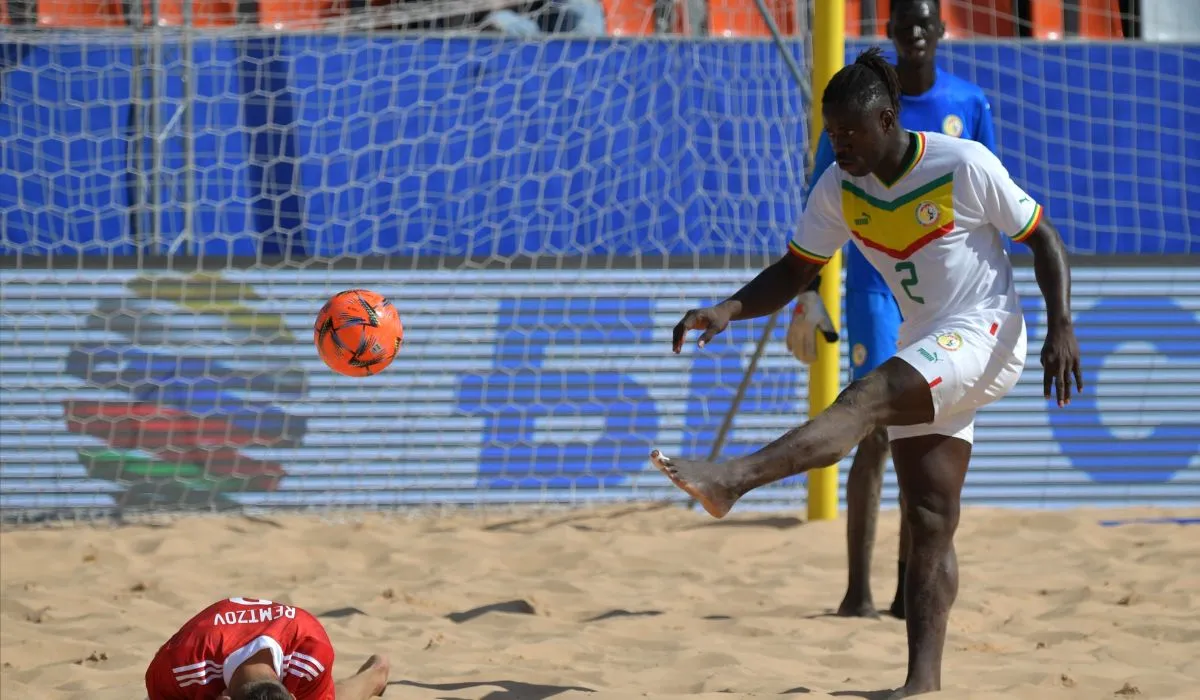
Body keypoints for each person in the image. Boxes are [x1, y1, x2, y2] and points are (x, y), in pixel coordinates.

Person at [651, 48, 1082, 698]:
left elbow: (1044, 238)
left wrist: (1062, 326)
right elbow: (795, 272)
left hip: (987, 333)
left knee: (864, 399)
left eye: (850, 133)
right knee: (930, 513)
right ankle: (922, 684)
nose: (839, 144)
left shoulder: (962, 164)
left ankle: (732, 479)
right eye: (831, 132)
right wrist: (725, 310)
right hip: (927, 339)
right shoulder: (838, 188)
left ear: (886, 121)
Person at [785, 0, 999, 621]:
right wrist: (808, 294)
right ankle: (858, 591)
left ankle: (910, 588)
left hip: (945, 296)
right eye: (903, 20)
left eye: (924, 20)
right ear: (891, 32)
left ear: (940, 29)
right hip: (876, 283)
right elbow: (819, 209)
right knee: (875, 428)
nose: (914, 30)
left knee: (920, 431)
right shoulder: (857, 113)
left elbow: (993, 199)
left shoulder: (969, 104)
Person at [145, 596, 390, 700]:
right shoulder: (181, 666)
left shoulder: (311, 650)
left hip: (290, 634)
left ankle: (374, 675)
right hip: (208, 649)